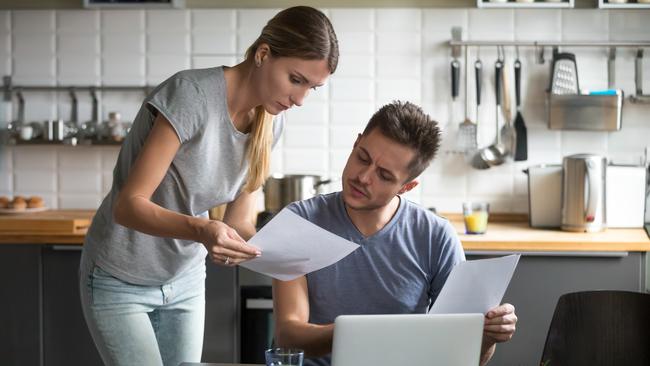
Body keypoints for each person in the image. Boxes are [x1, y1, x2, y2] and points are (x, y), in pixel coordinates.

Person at [79, 6, 338, 366]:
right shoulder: (190, 96)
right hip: (122, 277)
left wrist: (293, 254)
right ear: (263, 54)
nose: (300, 99)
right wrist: (203, 229)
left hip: (184, 278)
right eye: (296, 79)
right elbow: (128, 205)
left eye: (313, 88)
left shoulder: (270, 124)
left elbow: (239, 222)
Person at [273, 101, 517, 366]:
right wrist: (368, 333)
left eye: (385, 175)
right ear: (356, 144)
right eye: (362, 158)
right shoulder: (301, 221)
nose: (363, 177)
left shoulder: (437, 236)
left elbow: (465, 357)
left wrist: (487, 336)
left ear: (406, 187)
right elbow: (289, 336)